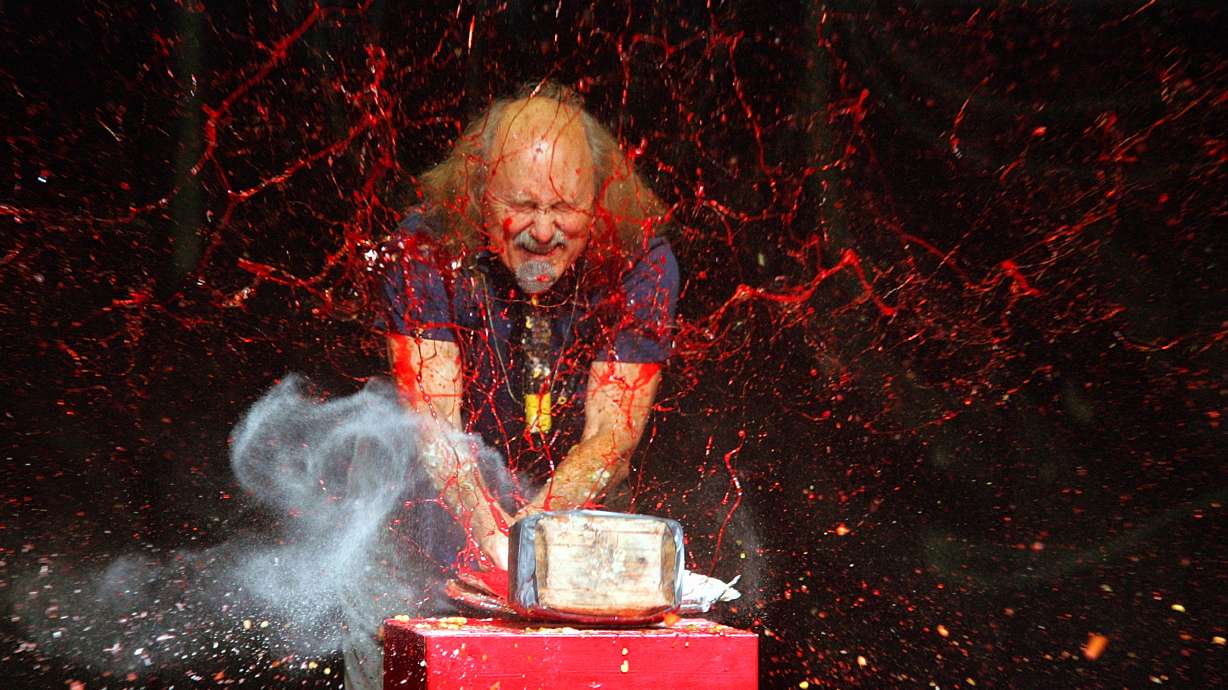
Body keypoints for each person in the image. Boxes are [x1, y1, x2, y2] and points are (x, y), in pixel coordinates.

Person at [380, 80, 679, 572]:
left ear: (599, 200)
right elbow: (433, 427)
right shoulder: (425, 250)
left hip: (576, 526)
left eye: (564, 208)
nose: (542, 232)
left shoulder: (638, 260)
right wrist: (493, 536)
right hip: (427, 523)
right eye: (521, 206)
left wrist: (533, 530)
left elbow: (612, 436)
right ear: (478, 194)